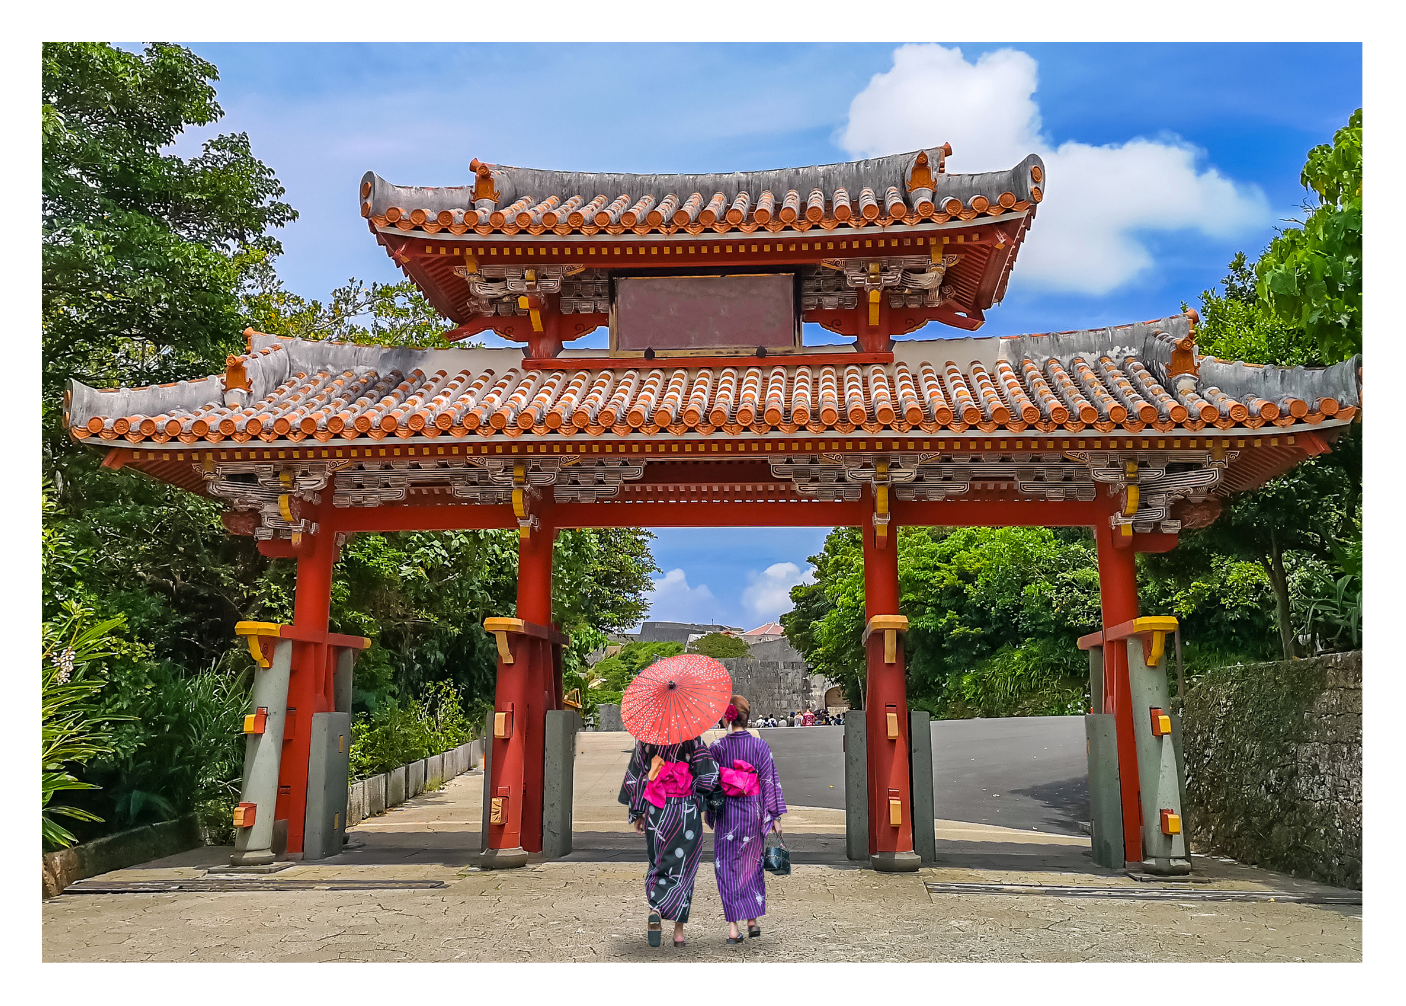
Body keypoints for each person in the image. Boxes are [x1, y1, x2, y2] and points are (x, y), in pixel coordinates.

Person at [619, 732, 719, 948]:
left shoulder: (648, 738)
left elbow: (636, 775)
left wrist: (638, 812)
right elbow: (708, 776)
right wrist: (697, 795)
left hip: (657, 810)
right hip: (685, 811)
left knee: (657, 862)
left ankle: (655, 908)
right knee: (685, 868)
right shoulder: (692, 737)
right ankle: (678, 933)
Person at [707, 694, 787, 945]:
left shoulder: (717, 748)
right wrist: (774, 816)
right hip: (753, 811)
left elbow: (709, 784)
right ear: (747, 717)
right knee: (751, 863)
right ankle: (752, 920)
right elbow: (769, 782)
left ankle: (733, 928)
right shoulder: (760, 746)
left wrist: (710, 807)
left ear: (726, 718)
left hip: (728, 814)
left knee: (727, 866)